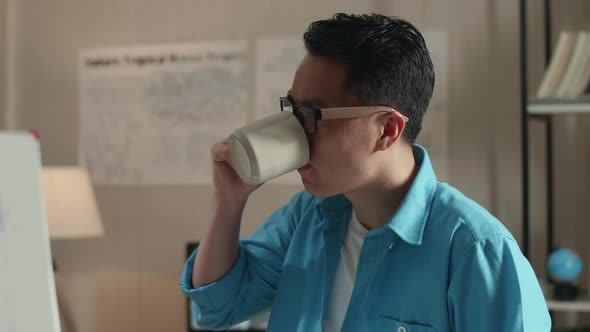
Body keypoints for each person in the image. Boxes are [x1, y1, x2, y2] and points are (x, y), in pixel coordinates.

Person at [180, 13, 551, 332]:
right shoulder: (306, 219)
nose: (295, 133)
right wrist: (229, 200)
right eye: (290, 110)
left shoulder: (477, 251)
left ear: (387, 129)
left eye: (310, 116)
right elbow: (217, 308)